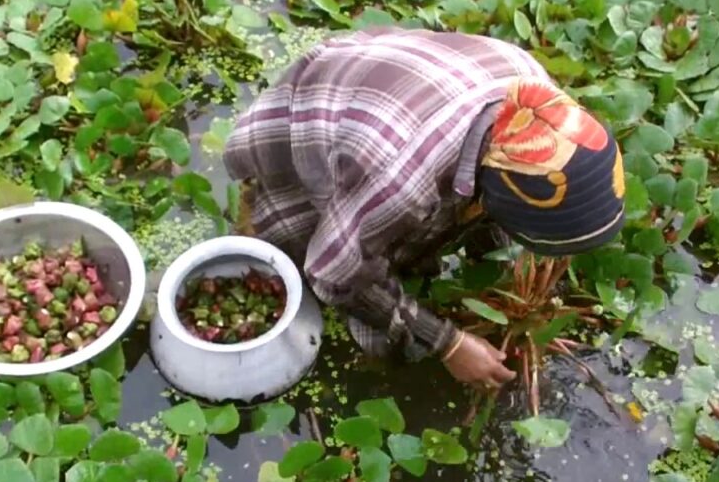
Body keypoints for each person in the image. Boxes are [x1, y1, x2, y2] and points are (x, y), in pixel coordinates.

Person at [223, 28, 625, 390]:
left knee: (401, 231)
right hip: (302, 126)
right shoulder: (401, 180)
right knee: (308, 260)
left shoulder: (534, 92)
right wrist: (447, 343)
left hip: (381, 92)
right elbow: (334, 271)